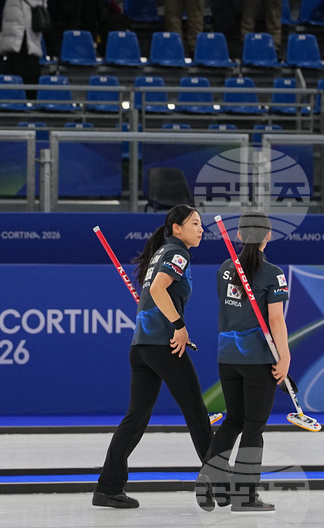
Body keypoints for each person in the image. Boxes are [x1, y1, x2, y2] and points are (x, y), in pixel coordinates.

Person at [94, 205, 213, 509]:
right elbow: (159, 290)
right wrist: (180, 327)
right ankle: (220, 483)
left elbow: (155, 293)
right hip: (163, 345)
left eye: (201, 224)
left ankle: (108, 488)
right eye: (195, 223)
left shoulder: (161, 253)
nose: (201, 228)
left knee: (136, 418)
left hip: (141, 347)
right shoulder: (178, 253)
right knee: (197, 413)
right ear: (176, 228)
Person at [199, 210, 289, 512]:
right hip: (257, 360)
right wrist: (285, 356)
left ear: (239, 236)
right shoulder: (273, 273)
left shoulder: (225, 268)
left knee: (234, 420)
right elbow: (276, 320)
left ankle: (209, 477)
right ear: (268, 236)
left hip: (227, 357)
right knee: (253, 427)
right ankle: (245, 495)